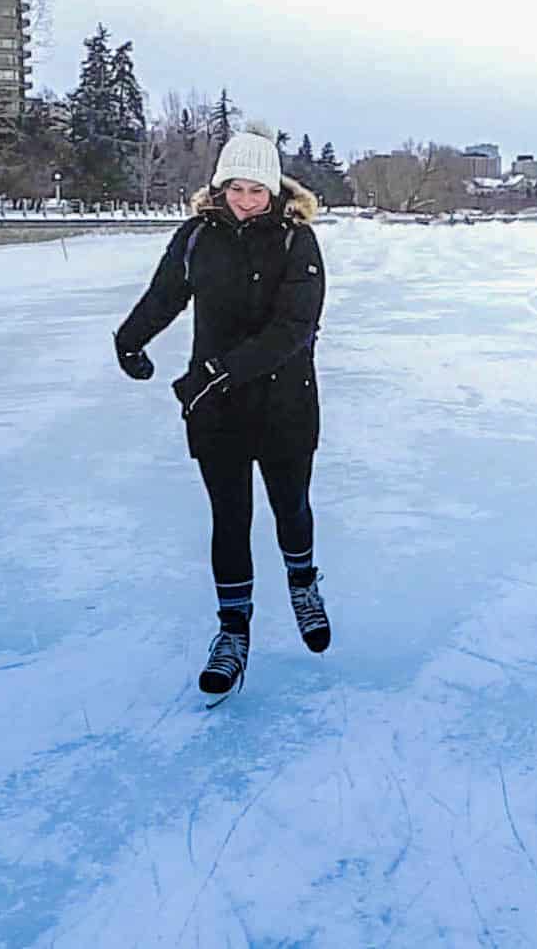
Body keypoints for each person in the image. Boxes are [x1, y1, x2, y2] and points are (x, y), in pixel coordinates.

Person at [115, 129, 330, 701]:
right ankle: (233, 632)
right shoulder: (196, 238)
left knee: (291, 507)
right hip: (217, 411)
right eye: (235, 187)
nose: (244, 200)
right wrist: (129, 340)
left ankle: (303, 585)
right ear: (219, 185)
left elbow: (294, 328)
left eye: (257, 189)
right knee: (229, 520)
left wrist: (219, 371)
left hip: (285, 404)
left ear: (276, 190)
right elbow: (164, 295)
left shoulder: (297, 241)